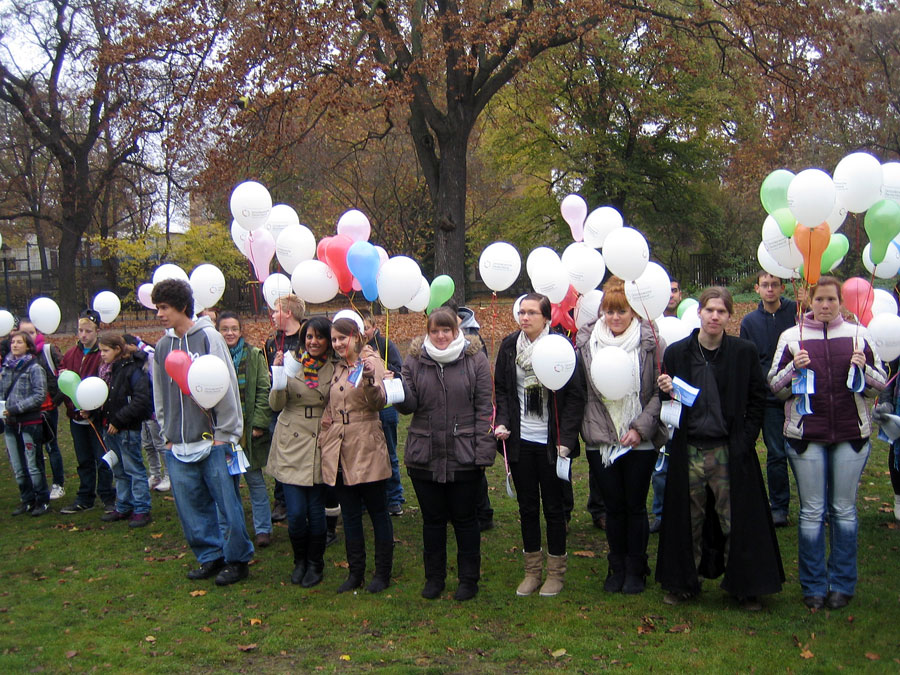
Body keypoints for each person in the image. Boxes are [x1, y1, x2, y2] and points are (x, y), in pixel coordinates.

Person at [656, 286, 783, 610]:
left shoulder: (743, 352)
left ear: (729, 316)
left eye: (721, 311)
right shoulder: (677, 354)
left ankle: (744, 585)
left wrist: (745, 440)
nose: (715, 316)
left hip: (728, 449)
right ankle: (684, 582)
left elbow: (758, 398)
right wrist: (665, 391)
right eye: (710, 310)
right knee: (689, 518)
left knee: (734, 519)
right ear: (699, 312)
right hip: (690, 449)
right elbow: (668, 406)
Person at [768, 276, 886, 610]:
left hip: (850, 434)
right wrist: (793, 368)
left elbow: (880, 384)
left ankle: (842, 584)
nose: (825, 305)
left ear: (841, 303)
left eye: (831, 300)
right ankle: (814, 586)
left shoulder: (858, 335)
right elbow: (774, 387)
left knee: (844, 511)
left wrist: (864, 368)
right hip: (807, 436)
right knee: (812, 511)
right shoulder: (792, 337)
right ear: (810, 301)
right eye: (819, 299)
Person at [151, 279, 254, 586]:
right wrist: (167, 434)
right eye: (157, 308)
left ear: (182, 306)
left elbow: (227, 386)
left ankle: (237, 559)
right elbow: (159, 393)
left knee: (227, 505)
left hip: (214, 441)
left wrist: (226, 433)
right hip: (178, 444)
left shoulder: (209, 338)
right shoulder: (162, 346)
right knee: (191, 507)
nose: (159, 314)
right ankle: (210, 556)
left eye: (164, 308)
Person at [396, 307, 494, 600]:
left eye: (446, 330)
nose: (440, 336)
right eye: (435, 331)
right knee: (433, 521)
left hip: (464, 454)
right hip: (425, 454)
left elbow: (485, 407)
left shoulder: (474, 358)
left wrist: (483, 452)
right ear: (428, 332)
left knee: (465, 520)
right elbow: (408, 406)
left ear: (456, 330)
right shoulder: (415, 359)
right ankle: (434, 578)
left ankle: (468, 579)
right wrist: (394, 387)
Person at [577, 278, 667, 594]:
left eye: (622, 311)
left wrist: (639, 428)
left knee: (635, 505)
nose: (615, 318)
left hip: (640, 438)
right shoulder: (586, 342)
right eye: (609, 311)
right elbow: (584, 392)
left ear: (634, 312)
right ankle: (616, 566)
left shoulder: (651, 341)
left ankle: (636, 567)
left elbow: (658, 391)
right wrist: (602, 431)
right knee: (613, 507)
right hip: (601, 438)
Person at [494, 293, 584, 597]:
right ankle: (532, 571)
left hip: (552, 444)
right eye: (522, 312)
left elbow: (575, 397)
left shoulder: (561, 347)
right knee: (528, 507)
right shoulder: (510, 347)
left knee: (555, 509)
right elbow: (502, 390)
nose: (525, 318)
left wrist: (566, 441)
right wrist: (502, 421)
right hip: (521, 442)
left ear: (547, 317)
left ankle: (556, 573)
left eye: (532, 313)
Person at [319, 317, 393, 593]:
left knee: (377, 511)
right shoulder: (338, 367)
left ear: (356, 336)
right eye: (334, 339)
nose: (338, 343)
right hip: (339, 448)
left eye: (343, 338)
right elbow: (332, 404)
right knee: (349, 514)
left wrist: (371, 379)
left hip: (366, 446)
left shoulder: (370, 362)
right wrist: (326, 431)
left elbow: (379, 402)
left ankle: (382, 572)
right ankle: (355, 572)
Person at [268, 316, 336, 587]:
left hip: (320, 439)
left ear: (328, 341)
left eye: (319, 337)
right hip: (292, 440)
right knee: (296, 513)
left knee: (316, 511)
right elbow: (276, 405)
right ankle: (300, 561)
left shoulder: (335, 368)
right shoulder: (291, 363)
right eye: (309, 337)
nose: (313, 342)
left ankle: (316, 564)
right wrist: (278, 376)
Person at [739, 271, 798, 527]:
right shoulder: (750, 322)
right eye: (765, 285)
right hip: (769, 397)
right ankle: (779, 506)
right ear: (757, 289)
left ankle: (814, 502)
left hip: (798, 393)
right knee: (776, 453)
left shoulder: (796, 312)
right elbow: (747, 360)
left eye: (775, 284)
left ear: (783, 288)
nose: (770, 289)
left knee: (803, 451)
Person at [217, 311, 274, 548]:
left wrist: (259, 424)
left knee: (255, 481)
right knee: (226, 486)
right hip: (222, 431)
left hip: (248, 431)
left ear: (241, 331)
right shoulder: (213, 357)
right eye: (225, 329)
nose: (230, 333)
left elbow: (263, 389)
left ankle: (263, 529)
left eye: (234, 328)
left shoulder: (253, 355)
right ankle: (232, 529)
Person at [59, 310, 116, 514]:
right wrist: (73, 406)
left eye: (88, 331)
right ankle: (85, 497)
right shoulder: (70, 355)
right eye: (80, 330)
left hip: (97, 417)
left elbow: (105, 384)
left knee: (102, 458)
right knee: (83, 459)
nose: (83, 335)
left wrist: (93, 409)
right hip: (76, 417)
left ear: (97, 331)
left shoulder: (101, 356)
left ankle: (108, 495)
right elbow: (65, 382)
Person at [445, 299, 495, 531]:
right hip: (449, 413)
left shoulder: (472, 338)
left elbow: (480, 380)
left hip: (469, 413)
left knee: (474, 467)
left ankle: (483, 513)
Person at [96, 332, 154, 527]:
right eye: (101, 351)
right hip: (109, 427)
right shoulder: (107, 370)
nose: (102, 354)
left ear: (117, 349)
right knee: (118, 470)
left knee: (133, 469)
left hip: (127, 428)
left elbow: (141, 400)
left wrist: (119, 420)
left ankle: (141, 508)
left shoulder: (132, 369)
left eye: (106, 350)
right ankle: (123, 504)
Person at [265, 294, 306, 523]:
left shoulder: (307, 338)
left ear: (288, 312)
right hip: (278, 409)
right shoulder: (272, 342)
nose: (272, 315)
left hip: (303, 407)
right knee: (280, 455)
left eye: (276, 310)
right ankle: (281, 500)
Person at [360, 309, 405, 516]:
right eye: (360, 328)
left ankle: (394, 497)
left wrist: (390, 371)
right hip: (363, 409)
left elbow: (400, 369)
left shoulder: (385, 345)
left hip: (386, 408)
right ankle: (367, 498)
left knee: (390, 454)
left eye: (366, 328)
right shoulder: (353, 349)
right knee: (366, 454)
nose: (364, 332)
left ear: (374, 328)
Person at [1, 330, 51, 516]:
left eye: (19, 342)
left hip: (30, 422)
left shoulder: (34, 368)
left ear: (28, 346)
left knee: (33, 463)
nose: (14, 345)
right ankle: (26, 499)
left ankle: (41, 499)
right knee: (17, 465)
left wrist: (16, 408)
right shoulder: (6, 367)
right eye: (13, 342)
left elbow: (39, 395)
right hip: (10, 422)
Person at [649, 279, 684, 532]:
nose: (671, 295)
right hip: (661, 402)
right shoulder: (653, 324)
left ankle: (684, 512)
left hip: (685, 402)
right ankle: (660, 513)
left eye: (674, 291)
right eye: (667, 291)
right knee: (661, 465)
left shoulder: (691, 322)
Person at [18, 319, 65, 500]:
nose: (29, 337)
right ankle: (39, 487)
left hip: (47, 408)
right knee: (33, 449)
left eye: (31, 332)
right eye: (24, 333)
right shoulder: (17, 357)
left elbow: (63, 374)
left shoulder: (48, 351)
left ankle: (58, 484)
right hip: (28, 410)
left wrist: (56, 400)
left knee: (51, 446)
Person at [123, 335, 170, 492]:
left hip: (153, 407)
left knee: (160, 443)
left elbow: (156, 383)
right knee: (148, 444)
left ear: (131, 345)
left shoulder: (149, 356)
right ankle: (155, 473)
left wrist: (156, 407)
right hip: (141, 408)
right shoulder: (133, 359)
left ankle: (169, 475)